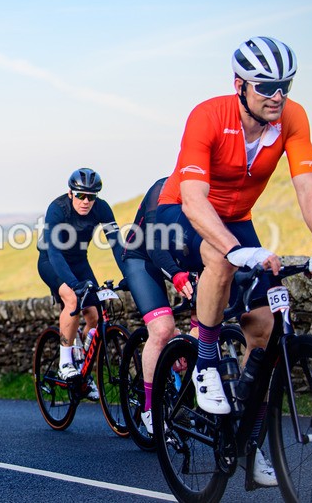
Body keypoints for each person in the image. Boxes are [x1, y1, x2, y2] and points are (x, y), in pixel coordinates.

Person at [157, 36, 312, 486]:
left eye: (284, 84)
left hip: (237, 217)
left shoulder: (293, 118)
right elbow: (192, 197)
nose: (278, 95)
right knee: (223, 261)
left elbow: (308, 189)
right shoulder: (208, 115)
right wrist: (231, 247)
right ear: (239, 85)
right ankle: (205, 359)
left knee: (265, 327)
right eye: (266, 86)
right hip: (181, 214)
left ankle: (248, 440)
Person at [37, 168, 125, 399]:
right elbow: (54, 252)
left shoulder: (102, 209)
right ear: (70, 193)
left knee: (95, 314)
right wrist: (74, 284)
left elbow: (117, 244)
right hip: (51, 261)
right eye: (80, 195)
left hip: (79, 261)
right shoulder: (57, 210)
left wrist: (130, 275)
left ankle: (82, 365)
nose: (86, 201)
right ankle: (65, 362)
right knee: (73, 299)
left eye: (91, 196)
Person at [120, 177, 195, 434]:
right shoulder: (162, 190)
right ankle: (149, 409)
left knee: (207, 317)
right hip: (142, 258)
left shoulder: (209, 190)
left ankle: (186, 387)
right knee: (162, 329)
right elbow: (154, 246)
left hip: (177, 255)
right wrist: (176, 274)